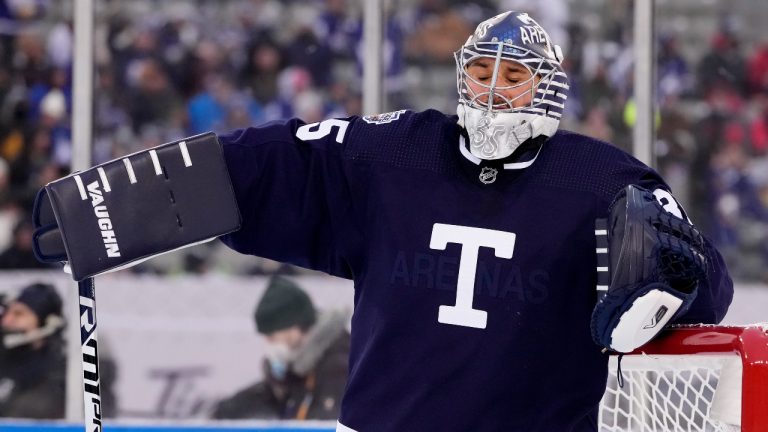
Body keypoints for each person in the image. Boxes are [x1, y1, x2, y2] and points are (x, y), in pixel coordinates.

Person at [33, 10, 733, 431]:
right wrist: (119, 206)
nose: (491, 88)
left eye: (512, 75)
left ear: (546, 85)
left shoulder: (602, 180)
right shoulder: (395, 154)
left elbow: (696, 279)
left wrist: (679, 282)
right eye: (480, 69)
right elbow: (274, 165)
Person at [212, 276, 349, 420]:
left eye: (271, 334)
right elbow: (270, 396)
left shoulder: (338, 366)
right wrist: (223, 411)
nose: (268, 341)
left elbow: (326, 422)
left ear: (294, 327)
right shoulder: (298, 366)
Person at [0, 282, 66, 419]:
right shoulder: (5, 357)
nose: (6, 320)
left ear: (47, 324)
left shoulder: (64, 372)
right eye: (7, 312)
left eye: (19, 314)